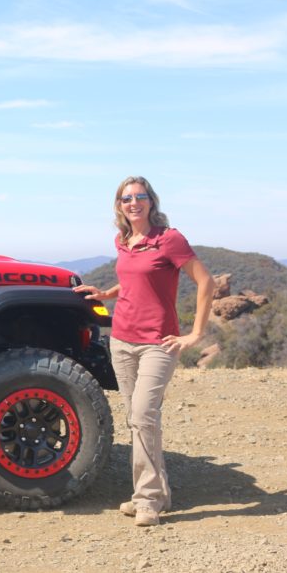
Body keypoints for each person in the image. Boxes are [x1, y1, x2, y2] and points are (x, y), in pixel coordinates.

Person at [73, 176, 215, 527]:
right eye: (126, 198)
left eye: (139, 196)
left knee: (142, 416)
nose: (133, 203)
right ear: (119, 206)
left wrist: (195, 333)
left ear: (152, 201)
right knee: (140, 421)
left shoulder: (169, 239)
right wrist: (108, 294)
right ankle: (159, 493)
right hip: (121, 341)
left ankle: (147, 499)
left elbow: (206, 281)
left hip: (158, 343)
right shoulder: (124, 240)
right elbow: (137, 278)